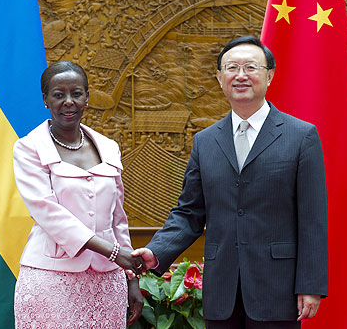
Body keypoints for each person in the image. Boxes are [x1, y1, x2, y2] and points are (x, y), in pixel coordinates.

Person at [132, 36, 328, 329]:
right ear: (219, 77)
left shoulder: (301, 137)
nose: (240, 75)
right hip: (222, 292)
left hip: (277, 289)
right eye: (231, 67)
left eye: (251, 67)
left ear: (270, 75)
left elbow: (312, 219)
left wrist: (310, 284)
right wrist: (156, 251)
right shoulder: (206, 141)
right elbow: (189, 213)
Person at [13, 61, 144, 328]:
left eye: (76, 93)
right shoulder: (28, 148)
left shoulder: (108, 147)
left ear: (87, 97)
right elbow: (48, 213)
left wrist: (131, 277)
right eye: (58, 95)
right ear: (45, 100)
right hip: (50, 280)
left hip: (107, 283)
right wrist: (113, 252)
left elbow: (117, 219)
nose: (68, 102)